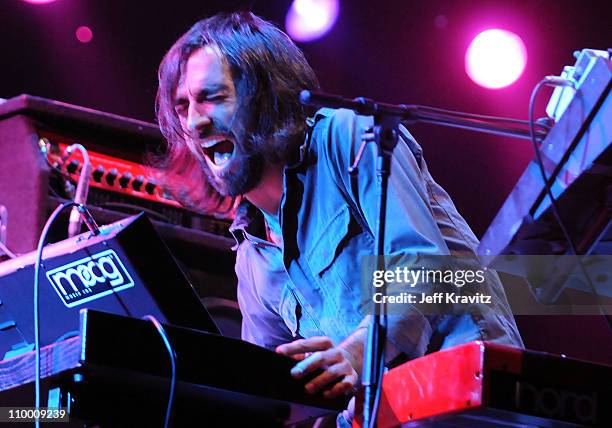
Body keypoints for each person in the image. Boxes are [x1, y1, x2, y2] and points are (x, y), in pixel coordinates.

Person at [155, 11, 523, 424]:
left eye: (214, 98)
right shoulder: (251, 258)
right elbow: (273, 393)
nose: (194, 122)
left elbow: (426, 268)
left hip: (471, 395)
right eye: (182, 107)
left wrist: (358, 351)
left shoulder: (351, 137)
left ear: (264, 97)